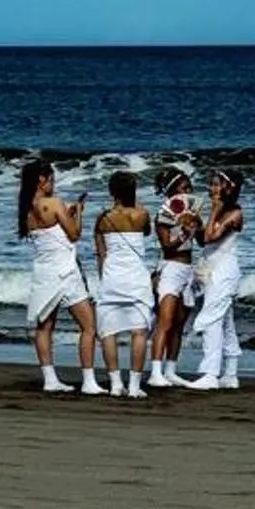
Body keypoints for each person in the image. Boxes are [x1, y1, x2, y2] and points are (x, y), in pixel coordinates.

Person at [16, 158, 102, 395]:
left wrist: (68, 213)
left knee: (45, 327)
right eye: (51, 179)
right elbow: (74, 234)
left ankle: (50, 378)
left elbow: (51, 231)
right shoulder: (53, 203)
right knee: (88, 326)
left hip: (44, 271)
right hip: (66, 272)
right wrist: (78, 214)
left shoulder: (26, 207)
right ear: (42, 180)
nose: (53, 183)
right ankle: (89, 380)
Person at [92, 168, 157, 400]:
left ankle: (115, 383)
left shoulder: (103, 218)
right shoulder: (141, 215)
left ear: (112, 192)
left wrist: (103, 277)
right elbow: (147, 231)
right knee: (139, 331)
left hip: (112, 278)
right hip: (136, 279)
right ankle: (134, 385)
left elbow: (100, 252)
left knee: (108, 332)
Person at [181, 170, 246, 392]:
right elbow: (203, 241)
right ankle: (230, 373)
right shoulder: (219, 212)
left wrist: (214, 211)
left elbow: (211, 237)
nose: (211, 188)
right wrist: (195, 224)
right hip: (212, 268)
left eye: (216, 184)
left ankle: (210, 374)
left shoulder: (234, 213)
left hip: (224, 271)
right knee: (225, 322)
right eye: (211, 184)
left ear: (228, 188)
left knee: (211, 319)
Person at [147, 166, 200, 387]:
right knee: (165, 322)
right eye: (183, 188)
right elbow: (167, 247)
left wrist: (199, 226)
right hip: (170, 268)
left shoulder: (191, 212)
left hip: (187, 269)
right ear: (171, 192)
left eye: (189, 188)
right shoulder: (163, 215)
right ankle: (155, 372)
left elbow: (203, 240)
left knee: (179, 324)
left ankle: (170, 370)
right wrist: (184, 234)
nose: (187, 192)